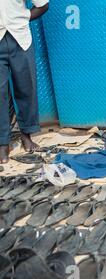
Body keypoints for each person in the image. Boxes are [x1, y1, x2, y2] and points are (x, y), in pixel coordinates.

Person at [0, 0, 49, 164]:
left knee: (26, 88)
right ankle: (2, 144)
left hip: (21, 39)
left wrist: (22, 18)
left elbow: (43, 5)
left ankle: (26, 135)